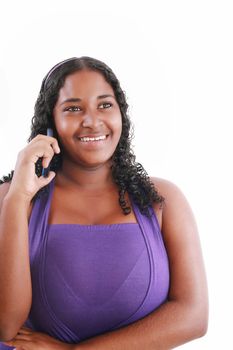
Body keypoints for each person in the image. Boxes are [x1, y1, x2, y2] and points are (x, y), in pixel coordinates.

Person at [0, 56, 208, 350]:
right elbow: (6, 325)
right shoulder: (13, 198)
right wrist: (18, 198)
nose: (91, 121)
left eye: (105, 105)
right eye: (73, 108)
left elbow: (193, 317)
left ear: (121, 114)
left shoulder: (163, 200)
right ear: (51, 124)